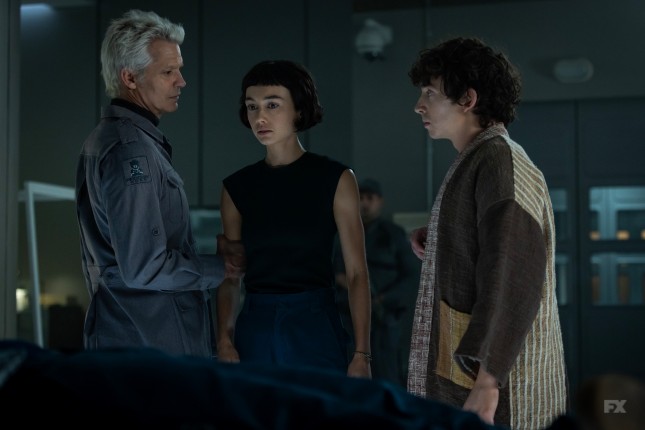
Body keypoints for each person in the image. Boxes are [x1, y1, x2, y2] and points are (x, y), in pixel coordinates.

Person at [405, 37, 568, 429]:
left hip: (491, 389)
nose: (419, 105)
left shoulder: (497, 159)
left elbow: (513, 272)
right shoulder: (483, 156)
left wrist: (488, 382)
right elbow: (493, 242)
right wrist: (442, 235)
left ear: (468, 99)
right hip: (473, 376)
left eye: (430, 93)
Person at [75, 9, 243, 358]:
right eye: (168, 72)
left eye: (179, 70)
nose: (181, 81)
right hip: (151, 346)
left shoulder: (114, 140)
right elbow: (144, 267)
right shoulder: (130, 151)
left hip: (135, 340)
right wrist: (221, 267)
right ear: (130, 78)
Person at [215, 60, 372, 379]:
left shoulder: (336, 179)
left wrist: (362, 354)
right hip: (255, 326)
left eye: (272, 104)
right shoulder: (236, 188)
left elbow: (357, 273)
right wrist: (224, 340)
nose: (260, 117)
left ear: (299, 109)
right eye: (252, 106)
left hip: (315, 325)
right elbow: (230, 277)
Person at [334, 178, 420, 387]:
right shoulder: (343, 234)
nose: (364, 203)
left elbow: (410, 275)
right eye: (361, 198)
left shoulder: (393, 234)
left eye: (369, 198)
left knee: (387, 377)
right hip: (349, 318)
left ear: (379, 201)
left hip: (384, 318)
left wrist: (382, 299)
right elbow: (334, 270)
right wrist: (343, 281)